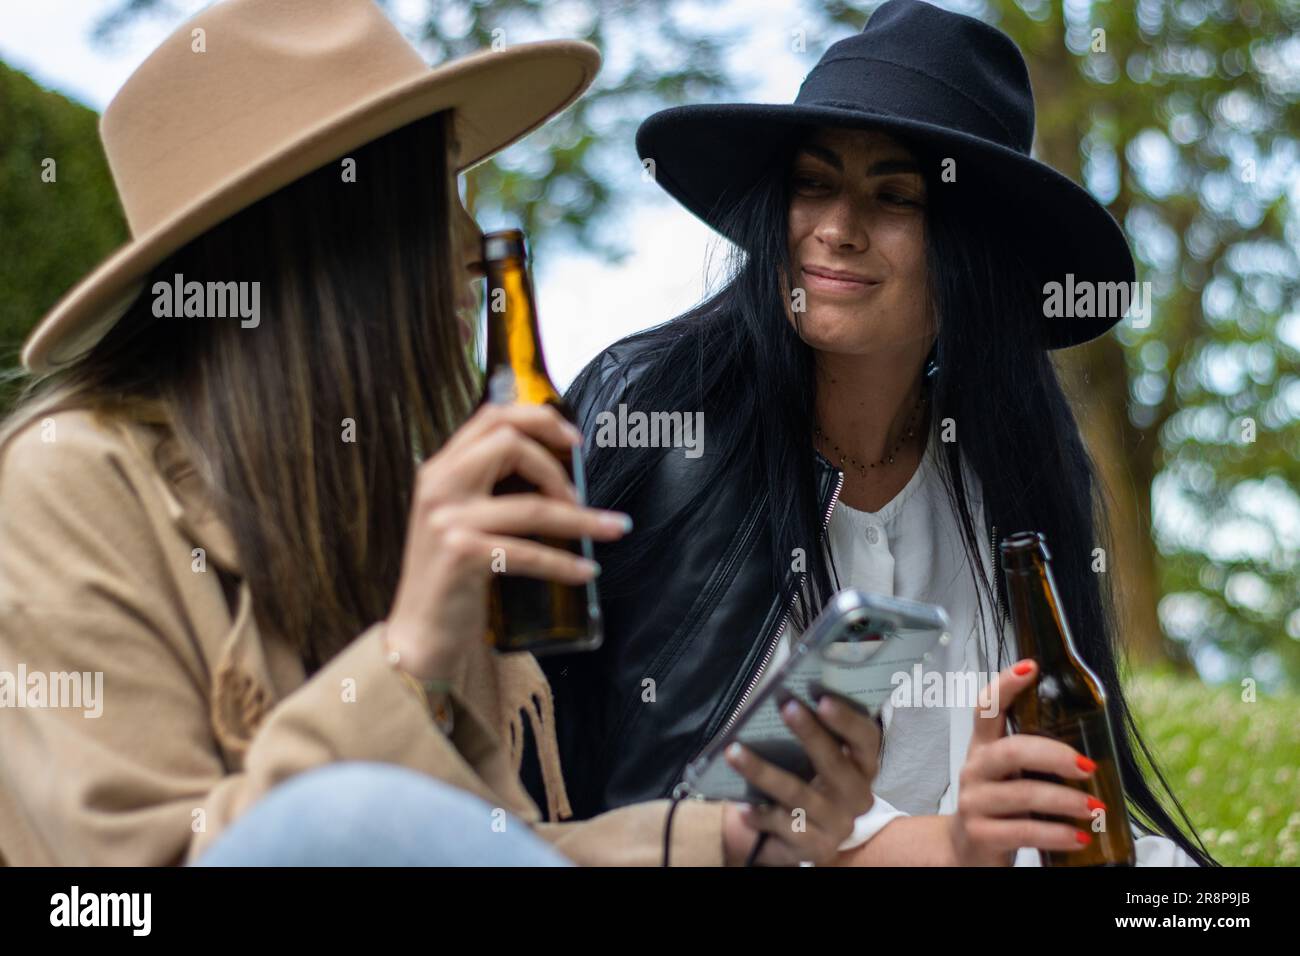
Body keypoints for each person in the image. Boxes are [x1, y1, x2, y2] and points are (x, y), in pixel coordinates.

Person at [0, 0, 881, 867]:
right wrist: (406, 655)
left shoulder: (379, 499)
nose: (476, 242)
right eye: (440, 194)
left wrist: (722, 840)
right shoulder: (66, 482)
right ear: (326, 240)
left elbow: (480, 845)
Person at [535, 0, 1214, 866]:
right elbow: (696, 815)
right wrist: (957, 843)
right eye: (813, 183)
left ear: (972, 252)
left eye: (893, 196)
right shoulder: (656, 421)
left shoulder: (1015, 473)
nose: (836, 229)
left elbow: (1071, 815)